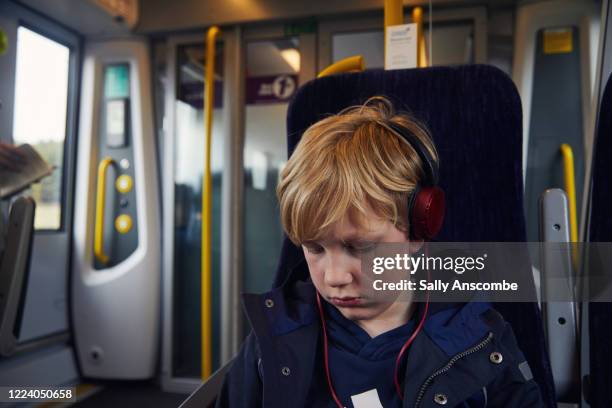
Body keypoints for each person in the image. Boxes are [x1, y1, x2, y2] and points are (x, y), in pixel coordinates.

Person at [216, 97, 544, 407]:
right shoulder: (272, 338)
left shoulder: (481, 341)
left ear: (418, 231)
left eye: (359, 247)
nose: (334, 276)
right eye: (314, 248)